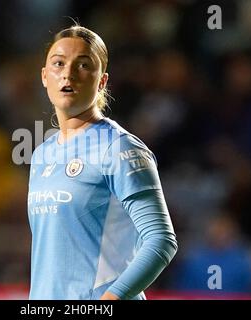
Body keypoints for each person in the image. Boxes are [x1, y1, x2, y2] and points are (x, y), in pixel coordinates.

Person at [27, 24, 178, 300]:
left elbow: (161, 241)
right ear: (44, 77)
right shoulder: (41, 155)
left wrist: (108, 302)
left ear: (102, 81)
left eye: (83, 65)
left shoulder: (119, 147)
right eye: (58, 63)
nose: (68, 73)